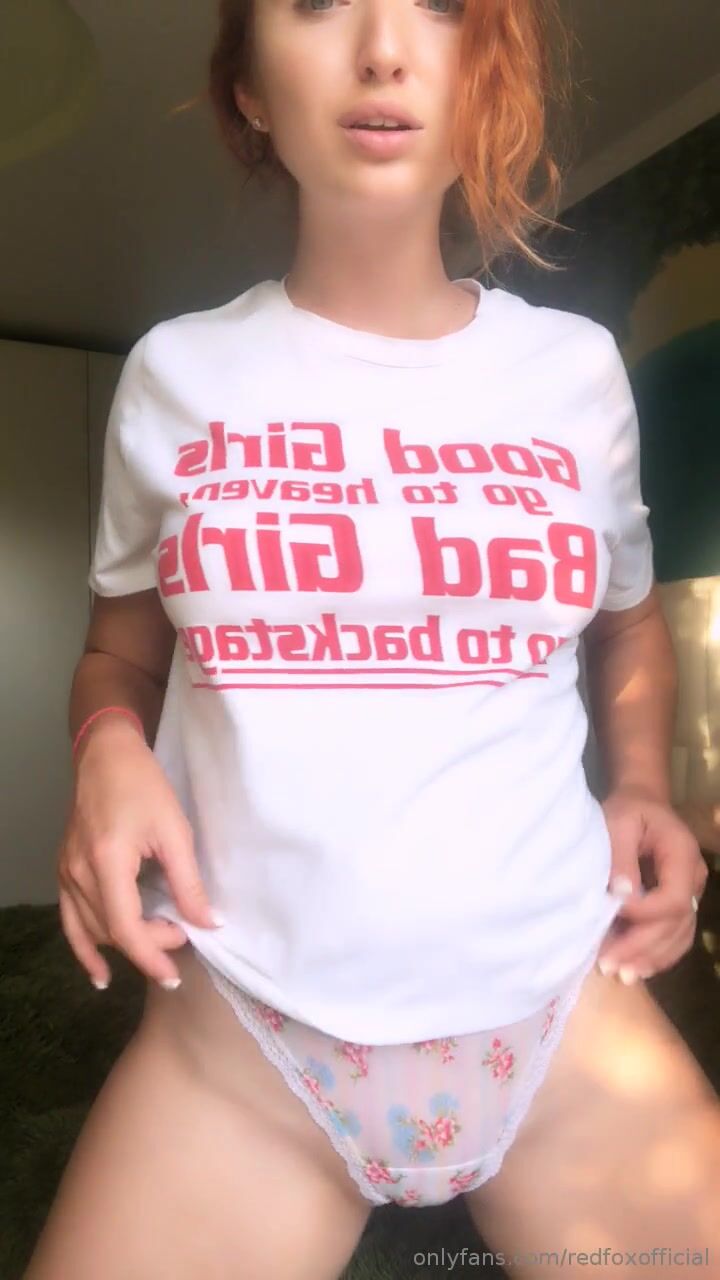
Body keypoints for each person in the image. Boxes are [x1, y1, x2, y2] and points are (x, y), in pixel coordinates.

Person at [24, 1, 720, 1277]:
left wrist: (639, 782)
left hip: (560, 1017)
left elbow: (625, 622)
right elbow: (118, 654)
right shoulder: (176, 374)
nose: (385, 47)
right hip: (243, 1042)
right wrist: (107, 748)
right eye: (317, 1)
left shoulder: (575, 373)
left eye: (441, 6)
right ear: (246, 86)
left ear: (484, 72)